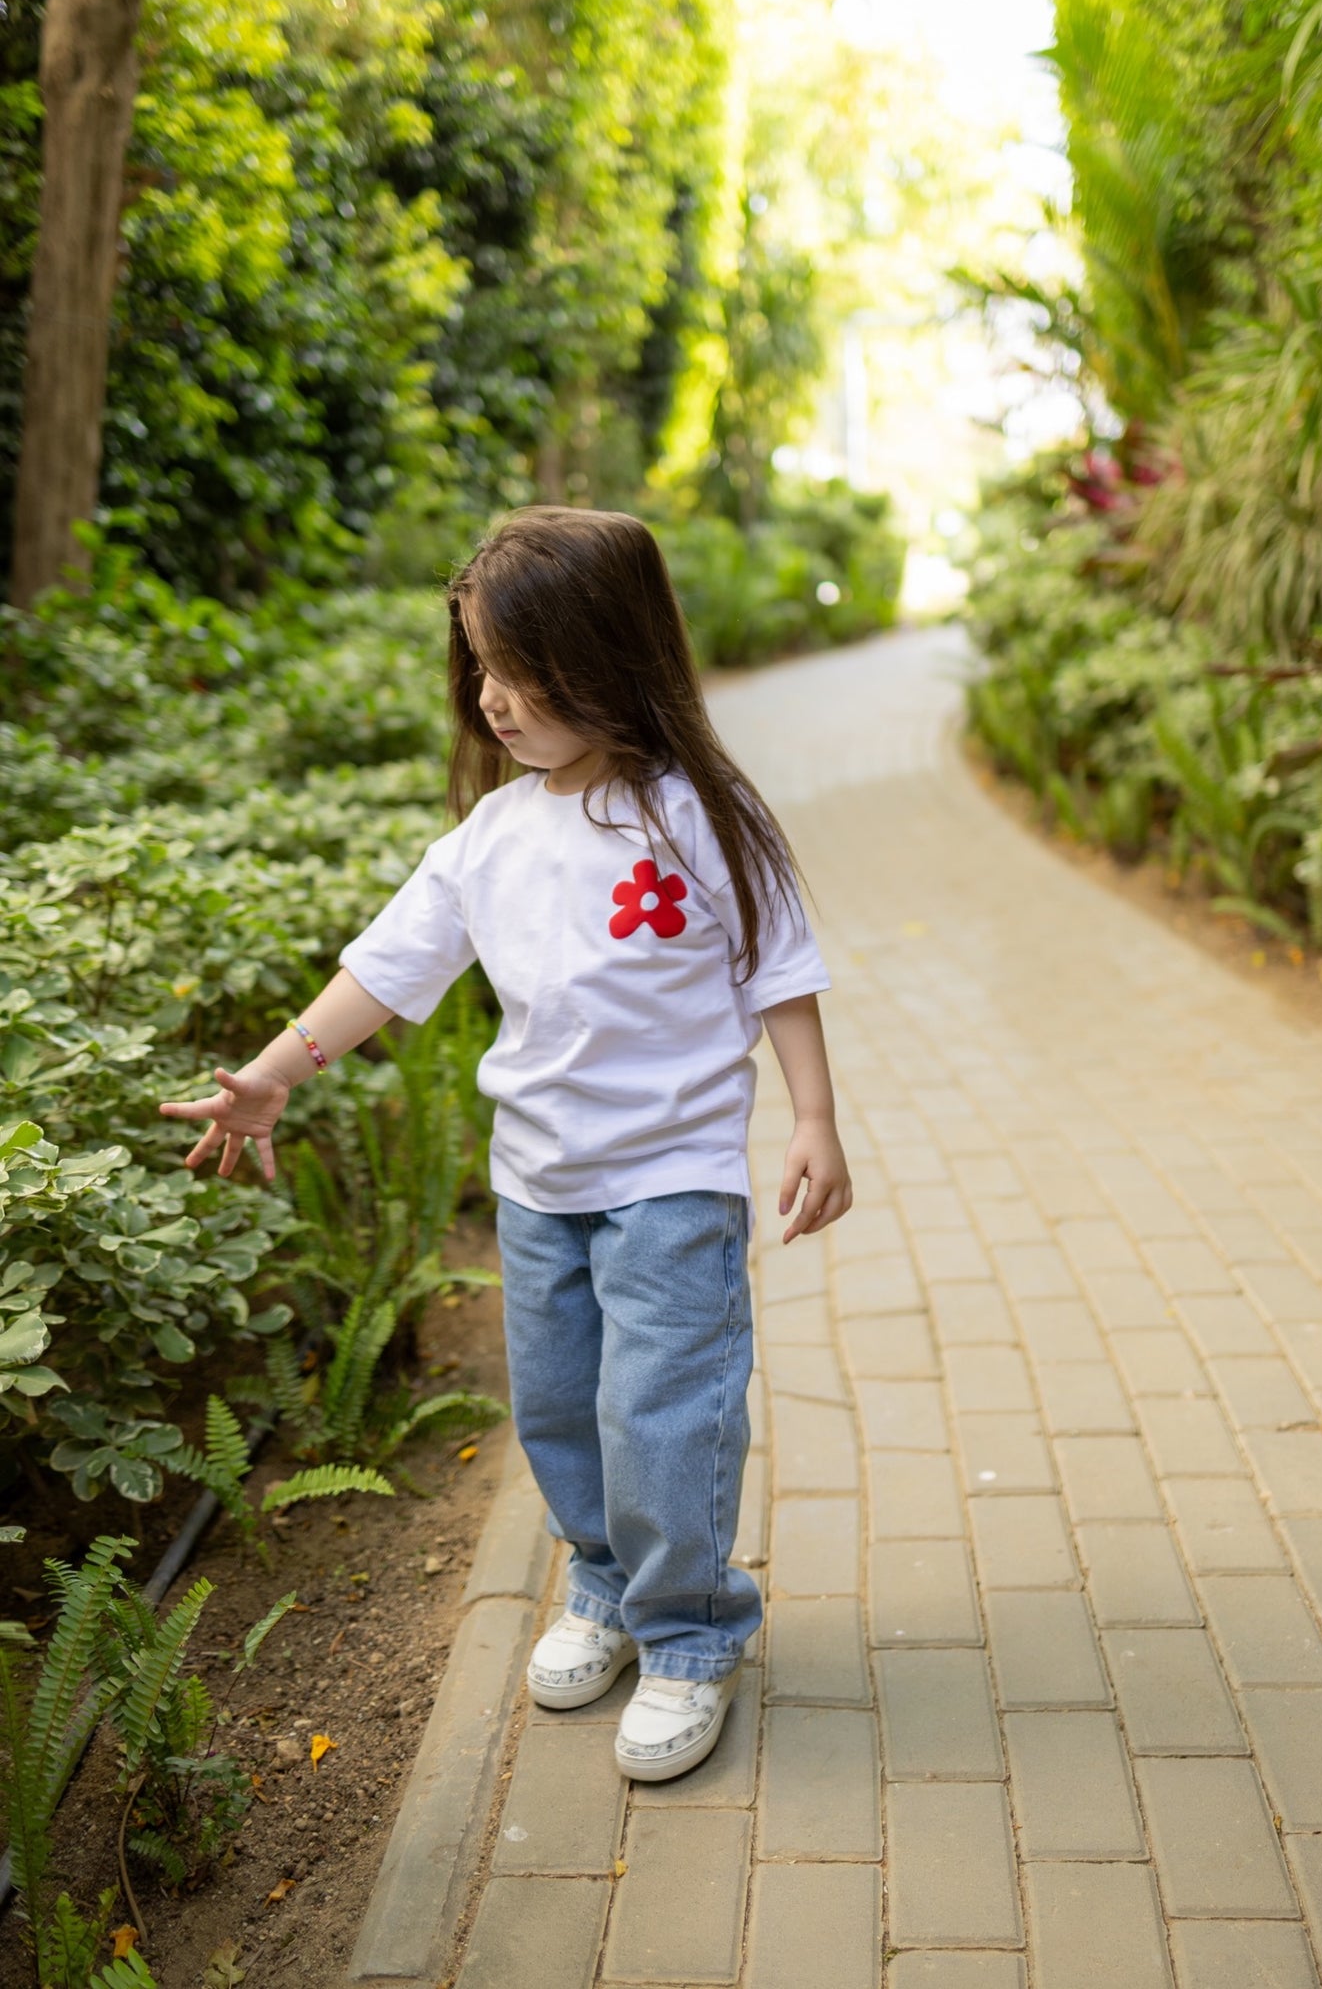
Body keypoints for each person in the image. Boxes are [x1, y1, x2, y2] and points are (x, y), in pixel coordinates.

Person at [160, 506, 852, 1781]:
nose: (492, 697)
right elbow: (384, 969)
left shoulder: (697, 814)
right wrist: (270, 1074)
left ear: (609, 656)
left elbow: (777, 968)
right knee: (561, 1408)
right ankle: (603, 1580)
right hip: (536, 1185)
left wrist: (812, 1115)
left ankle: (691, 1631)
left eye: (523, 670)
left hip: (672, 1178)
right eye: (480, 665)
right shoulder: (488, 836)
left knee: (663, 1412)